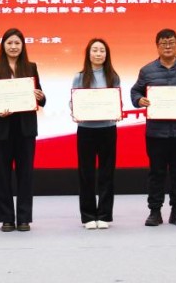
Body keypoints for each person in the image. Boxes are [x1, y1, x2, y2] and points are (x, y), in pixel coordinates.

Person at [130, 29, 176, 227]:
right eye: (163, 43)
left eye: (171, 42)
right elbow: (135, 91)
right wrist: (139, 100)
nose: (168, 47)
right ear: (157, 46)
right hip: (156, 132)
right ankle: (154, 211)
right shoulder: (147, 70)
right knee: (156, 173)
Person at [0, 28, 47, 232]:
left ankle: (24, 218)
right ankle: (6, 218)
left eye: (17, 43)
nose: (13, 47)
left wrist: (40, 96)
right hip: (1, 129)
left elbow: (41, 98)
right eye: (9, 43)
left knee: (25, 175)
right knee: (1, 175)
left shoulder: (31, 67)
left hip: (25, 129)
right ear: (3, 45)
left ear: (23, 46)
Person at [72, 38, 120, 230]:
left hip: (108, 128)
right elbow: (73, 100)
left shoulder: (113, 76)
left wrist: (116, 109)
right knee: (86, 174)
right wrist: (75, 109)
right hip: (86, 129)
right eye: (95, 50)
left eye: (102, 50)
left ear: (106, 55)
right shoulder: (79, 76)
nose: (98, 54)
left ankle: (105, 215)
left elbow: (117, 99)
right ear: (88, 54)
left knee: (107, 173)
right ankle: (88, 216)